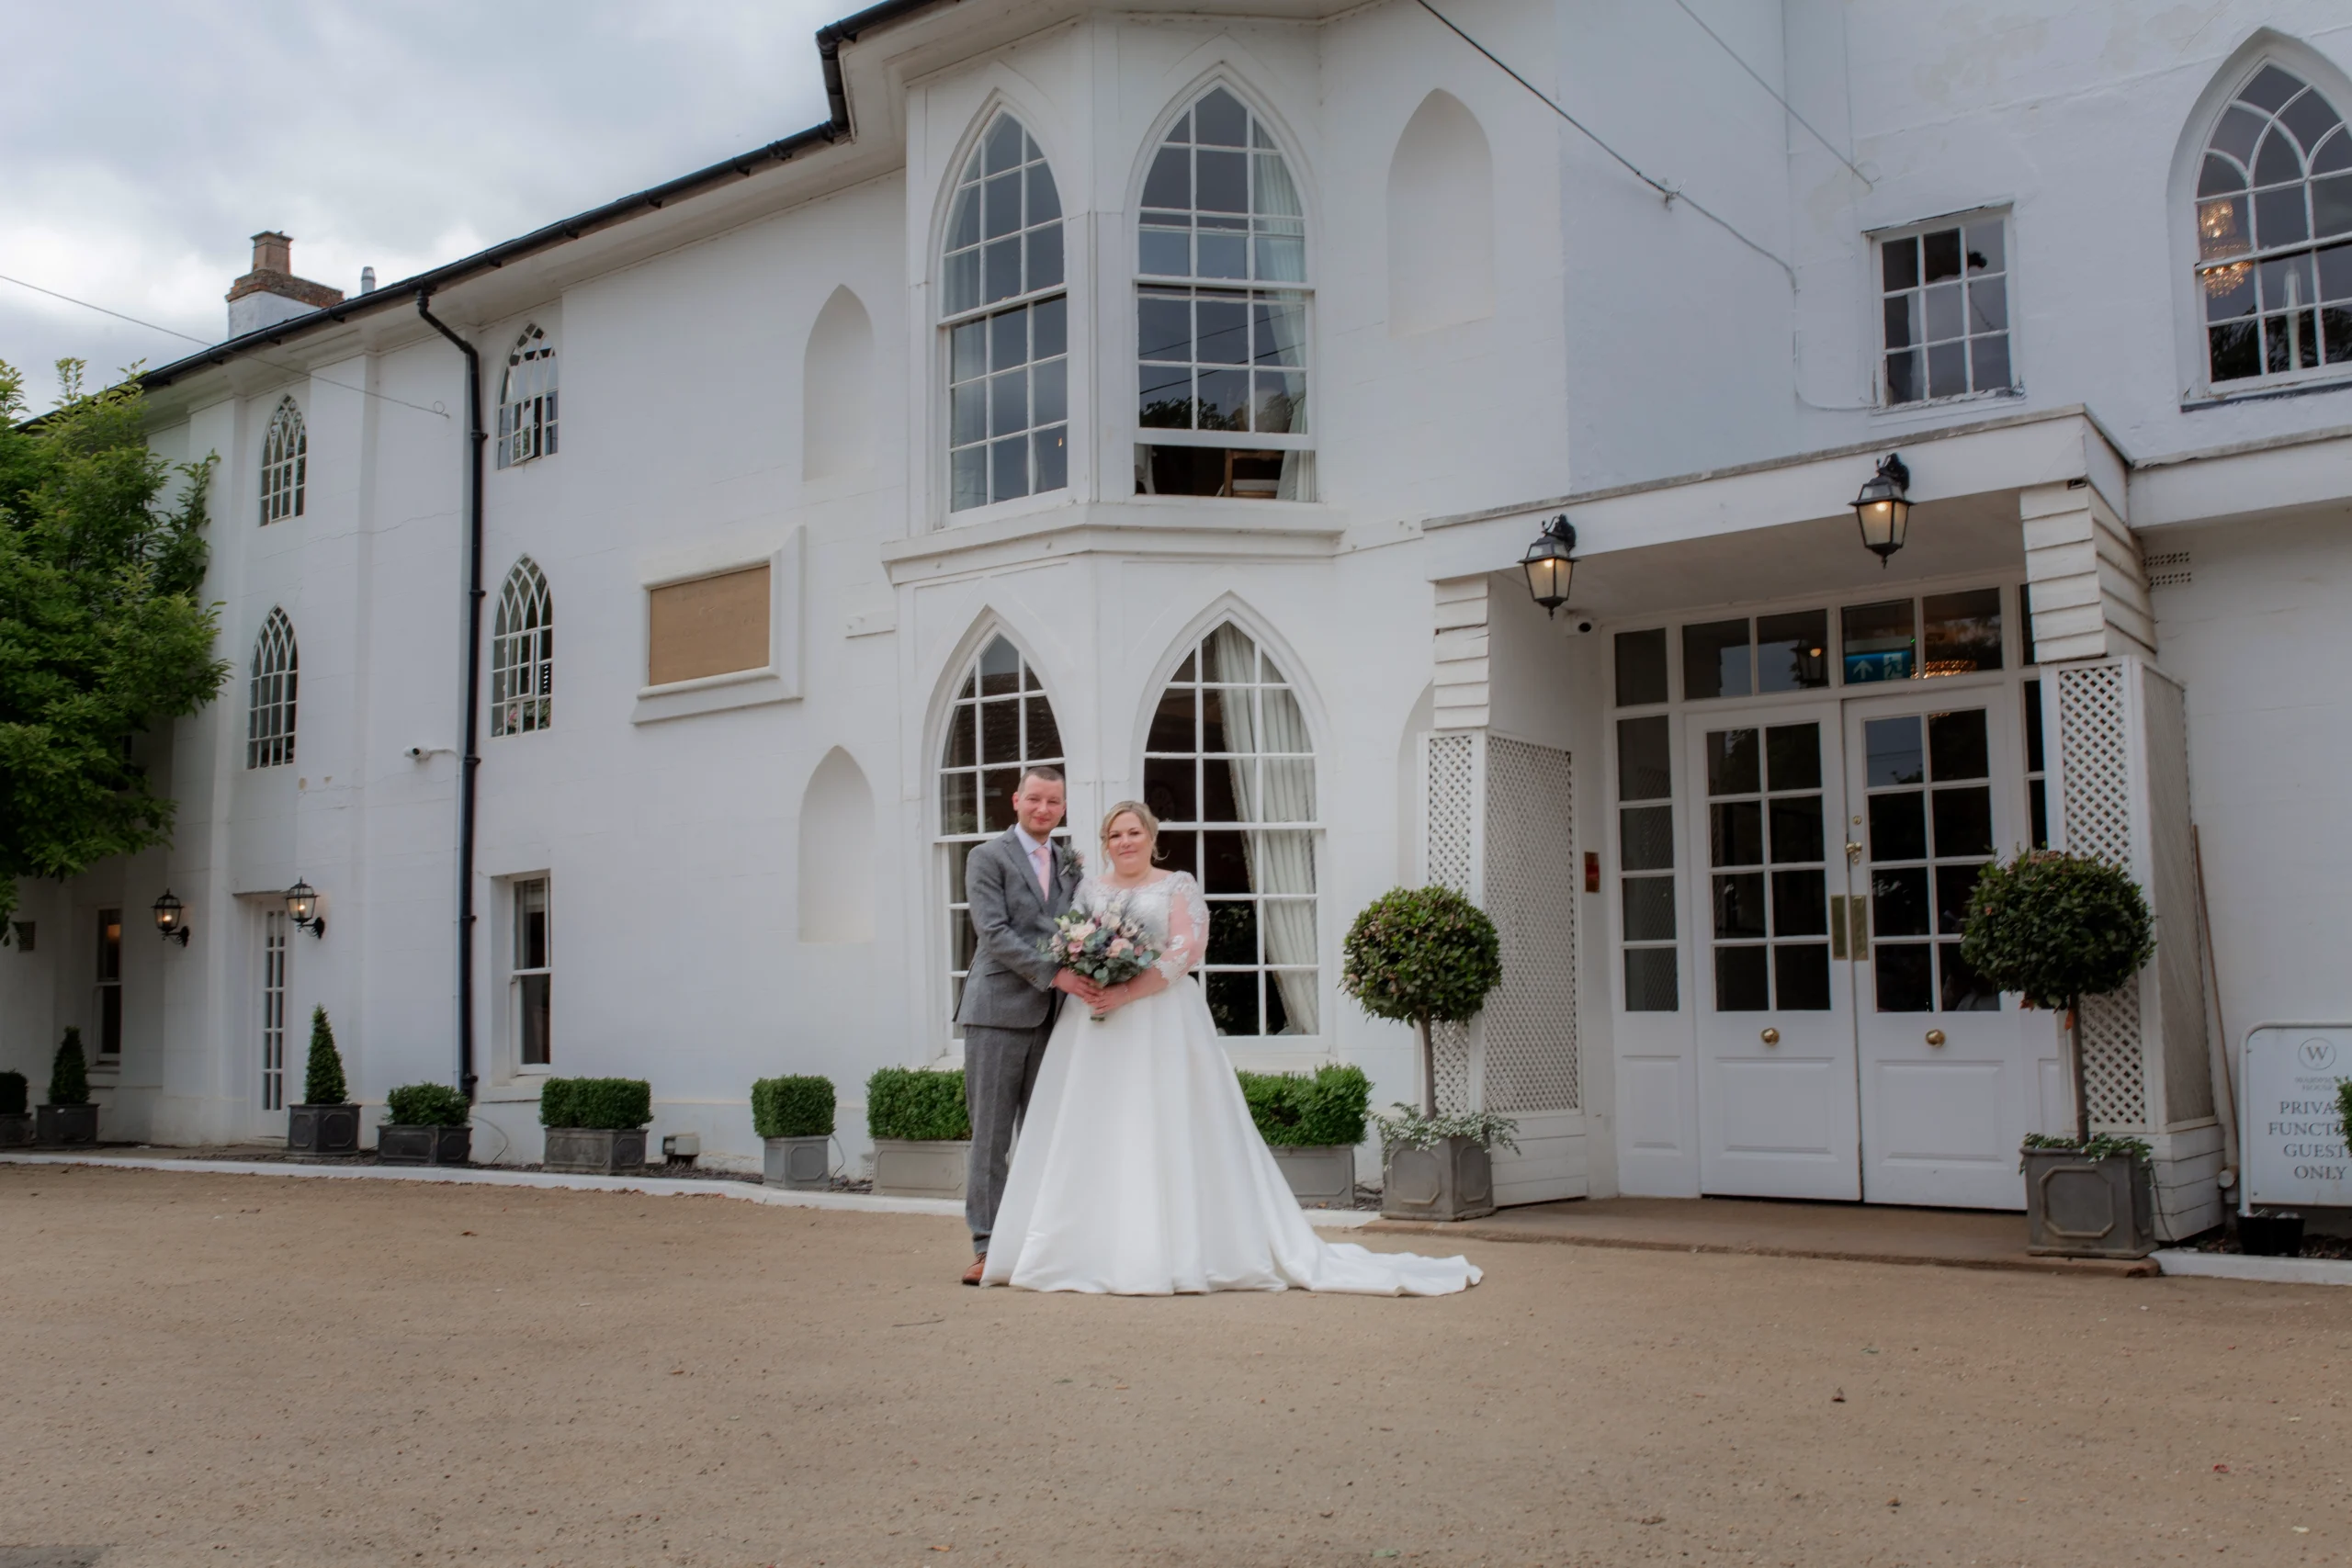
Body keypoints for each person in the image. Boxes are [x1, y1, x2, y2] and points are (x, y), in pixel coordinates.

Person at [979, 801, 1482, 1295]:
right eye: (1115, 835)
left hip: (1162, 1020)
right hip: (1092, 1025)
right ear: (1105, 843)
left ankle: (1169, 1249)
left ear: (1152, 837)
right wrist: (1091, 980)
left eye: (1134, 833)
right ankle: (1081, 1246)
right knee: (1093, 1126)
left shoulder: (1177, 884)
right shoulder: (1088, 889)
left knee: (1167, 1124)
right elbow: (1068, 941)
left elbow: (1185, 951)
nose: (1125, 842)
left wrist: (1125, 989)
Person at [954, 765, 1098, 1287]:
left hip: (1054, 1017)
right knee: (990, 1138)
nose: (1043, 809)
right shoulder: (986, 857)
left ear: (1062, 808)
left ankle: (1037, 1242)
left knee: (1042, 1137)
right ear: (1016, 800)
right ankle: (987, 1246)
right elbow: (992, 932)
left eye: (1053, 802)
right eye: (1034, 799)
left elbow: (1078, 928)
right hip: (996, 1011)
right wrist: (1056, 974)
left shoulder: (1069, 862)